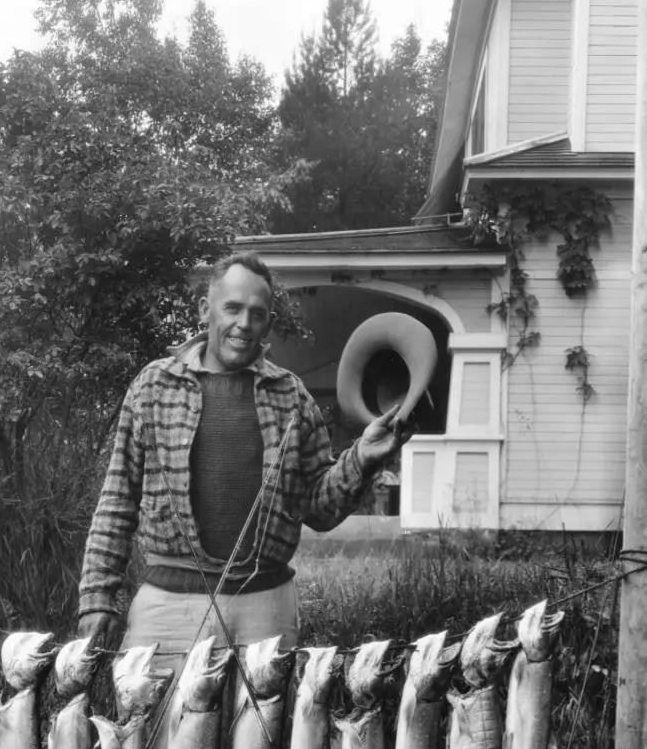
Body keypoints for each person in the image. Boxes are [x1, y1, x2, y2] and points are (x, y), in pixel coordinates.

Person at [76, 252, 414, 670]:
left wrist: (361, 458)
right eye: (231, 308)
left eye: (256, 313)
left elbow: (319, 509)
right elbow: (117, 501)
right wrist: (96, 599)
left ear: (268, 323)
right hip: (168, 605)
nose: (243, 323)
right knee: (154, 729)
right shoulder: (152, 386)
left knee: (261, 734)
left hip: (265, 607)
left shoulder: (292, 396)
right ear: (206, 310)